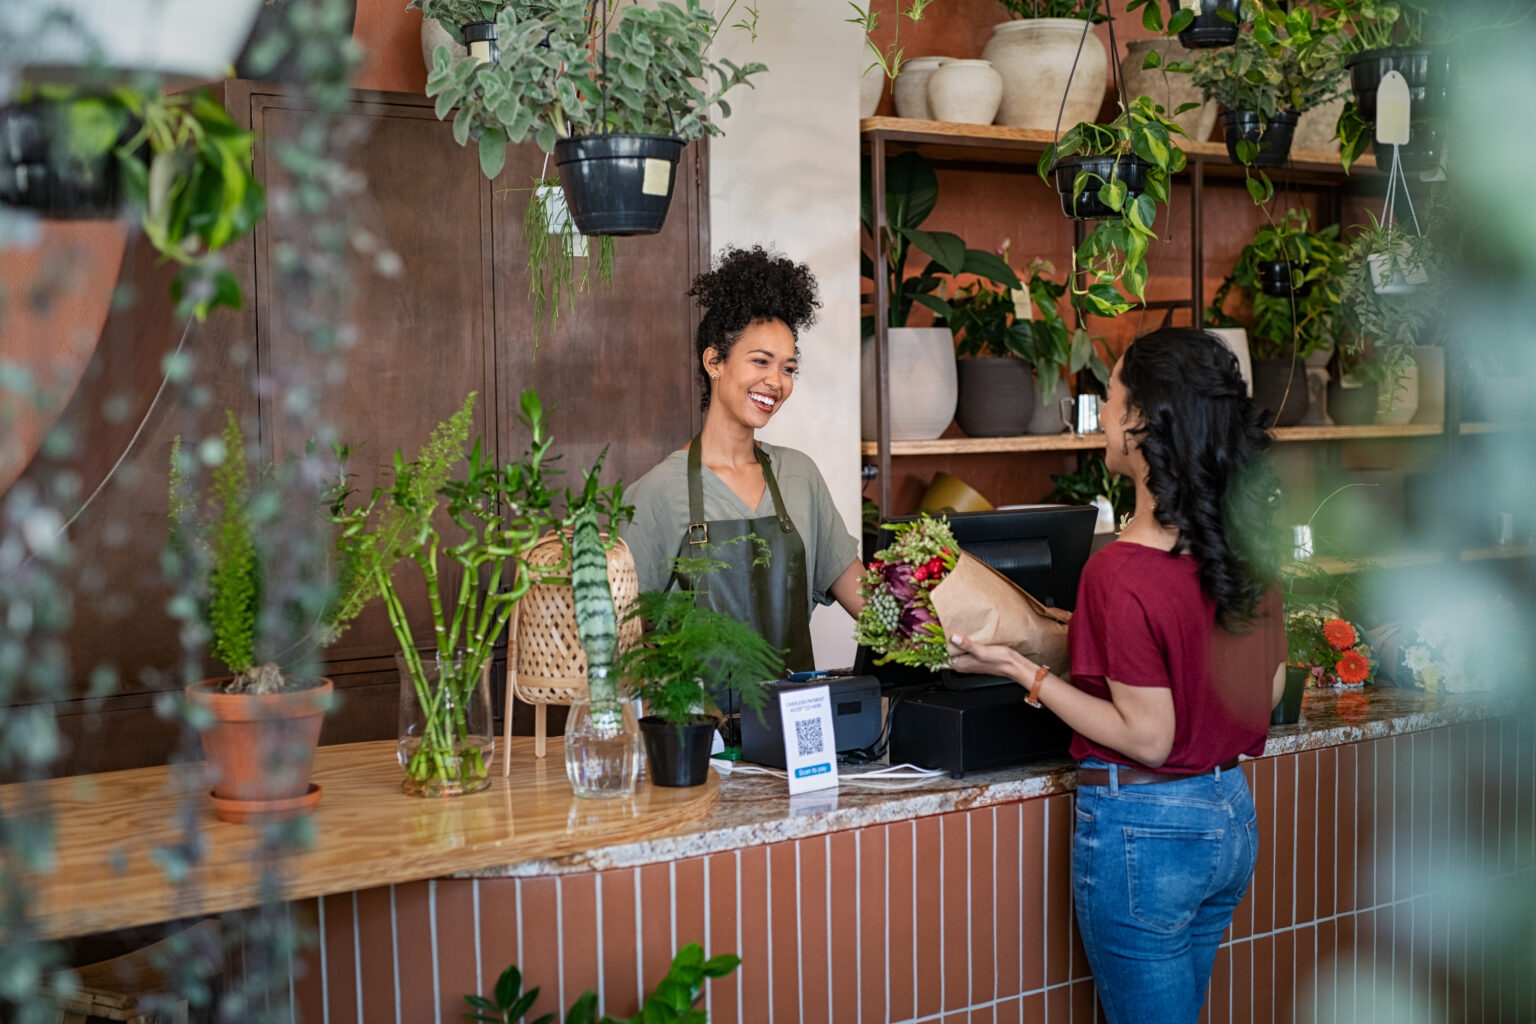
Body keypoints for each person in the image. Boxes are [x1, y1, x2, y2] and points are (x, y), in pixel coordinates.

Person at [948, 328, 1286, 1024]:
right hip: (1228, 818)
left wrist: (1020, 669)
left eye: (1111, 398)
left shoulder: (1120, 570)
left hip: (1147, 833)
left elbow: (1149, 736)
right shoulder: (1244, 549)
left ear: (1143, 423)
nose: (1101, 414)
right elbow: (1270, 690)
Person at [621, 246, 864, 677]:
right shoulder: (656, 494)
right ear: (715, 361)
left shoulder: (799, 477)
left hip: (794, 727)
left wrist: (947, 638)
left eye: (788, 368)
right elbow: (622, 643)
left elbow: (864, 599)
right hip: (696, 735)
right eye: (761, 362)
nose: (776, 382)